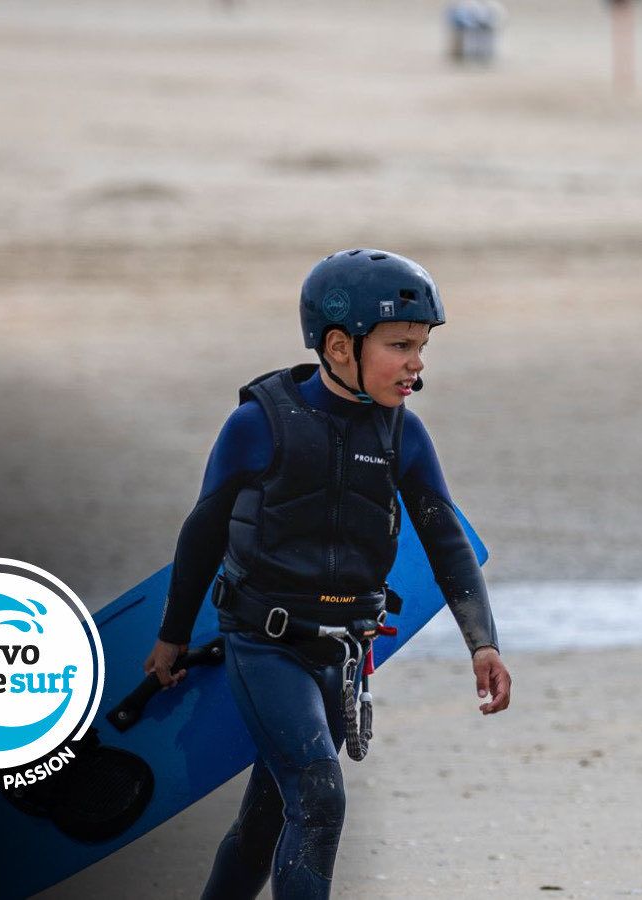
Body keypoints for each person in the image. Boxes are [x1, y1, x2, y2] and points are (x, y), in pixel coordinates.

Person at [143, 248, 511, 900]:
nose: (417, 363)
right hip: (265, 645)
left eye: (422, 346)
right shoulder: (257, 425)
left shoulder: (404, 435)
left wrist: (483, 642)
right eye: (400, 345)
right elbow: (203, 534)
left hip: (343, 653)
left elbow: (445, 539)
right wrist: (172, 635)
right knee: (318, 796)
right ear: (339, 346)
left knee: (266, 822)